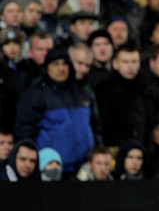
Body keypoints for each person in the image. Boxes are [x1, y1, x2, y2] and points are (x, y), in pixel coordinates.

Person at [14, 48, 100, 177]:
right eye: (55, 64)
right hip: (51, 170)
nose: (61, 69)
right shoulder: (35, 95)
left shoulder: (83, 94)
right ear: (46, 67)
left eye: (65, 64)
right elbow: (25, 134)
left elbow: (95, 128)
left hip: (84, 169)